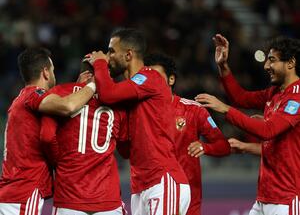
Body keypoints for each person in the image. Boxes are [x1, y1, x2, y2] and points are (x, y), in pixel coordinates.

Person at [86, 28, 191, 215]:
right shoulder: (128, 93)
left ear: (128, 55)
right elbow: (126, 151)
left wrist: (100, 64)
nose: (107, 56)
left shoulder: (150, 77)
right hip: (140, 185)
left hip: (162, 179)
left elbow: (108, 94)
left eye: (111, 51)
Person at [195, 34, 300, 215]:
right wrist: (223, 66)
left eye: (272, 60)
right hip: (264, 197)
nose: (266, 66)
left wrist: (225, 109)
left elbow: (268, 130)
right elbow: (240, 98)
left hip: (286, 199)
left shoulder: (297, 97)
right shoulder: (274, 93)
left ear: (290, 63)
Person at [0, 48, 96, 215]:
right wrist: (92, 86)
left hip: (13, 193)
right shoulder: (34, 95)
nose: (53, 74)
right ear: (45, 72)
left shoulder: (20, 99)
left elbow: (58, 103)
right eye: (52, 70)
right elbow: (67, 106)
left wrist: (76, 87)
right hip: (24, 192)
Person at [142, 53, 231, 215]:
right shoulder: (139, 111)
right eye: (147, 78)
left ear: (171, 80)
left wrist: (205, 147)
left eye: (157, 77)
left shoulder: (193, 110)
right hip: (149, 192)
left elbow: (223, 146)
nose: (151, 82)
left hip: (186, 196)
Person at [39, 60, 128, 215]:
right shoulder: (118, 102)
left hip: (69, 197)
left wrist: (58, 161)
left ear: (84, 74)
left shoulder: (59, 93)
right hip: (107, 199)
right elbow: (126, 147)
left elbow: (46, 137)